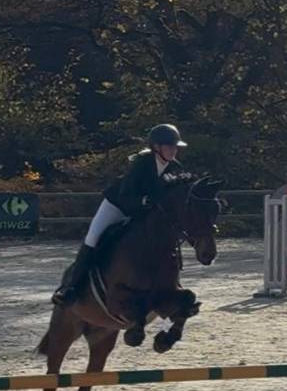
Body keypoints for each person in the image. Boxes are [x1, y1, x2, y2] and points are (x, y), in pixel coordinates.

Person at [53, 123, 187, 305]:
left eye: (175, 147)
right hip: (117, 207)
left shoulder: (174, 166)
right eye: (170, 146)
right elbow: (125, 194)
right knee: (92, 239)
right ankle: (71, 288)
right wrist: (143, 201)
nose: (174, 150)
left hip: (141, 212)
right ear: (156, 147)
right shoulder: (142, 163)